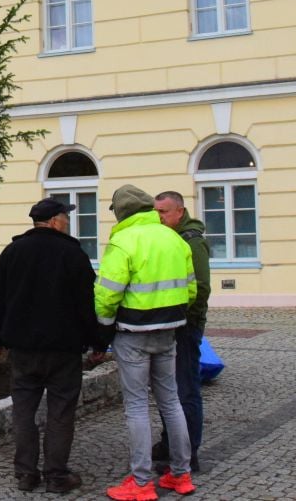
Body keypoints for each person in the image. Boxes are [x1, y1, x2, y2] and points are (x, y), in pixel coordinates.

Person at [0, 198, 103, 494]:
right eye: (65, 217)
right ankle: (56, 476)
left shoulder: (12, 252)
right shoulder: (72, 254)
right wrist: (99, 341)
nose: (68, 221)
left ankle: (26, 473)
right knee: (61, 412)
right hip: (64, 349)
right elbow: (87, 304)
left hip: (23, 348)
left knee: (23, 411)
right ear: (52, 221)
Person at [95, 185, 197, 501]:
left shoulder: (122, 241)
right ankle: (181, 475)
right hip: (169, 332)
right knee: (171, 401)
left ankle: (140, 484)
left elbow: (107, 294)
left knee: (137, 406)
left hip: (132, 334)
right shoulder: (174, 238)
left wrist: (103, 326)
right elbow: (191, 290)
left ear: (121, 213)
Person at [152, 191, 210, 474]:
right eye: (156, 211)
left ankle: (189, 452)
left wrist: (187, 320)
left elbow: (200, 289)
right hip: (171, 324)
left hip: (185, 326)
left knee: (186, 389)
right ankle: (170, 442)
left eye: (163, 211)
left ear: (179, 212)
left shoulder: (192, 241)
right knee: (169, 389)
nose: (159, 217)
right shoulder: (170, 238)